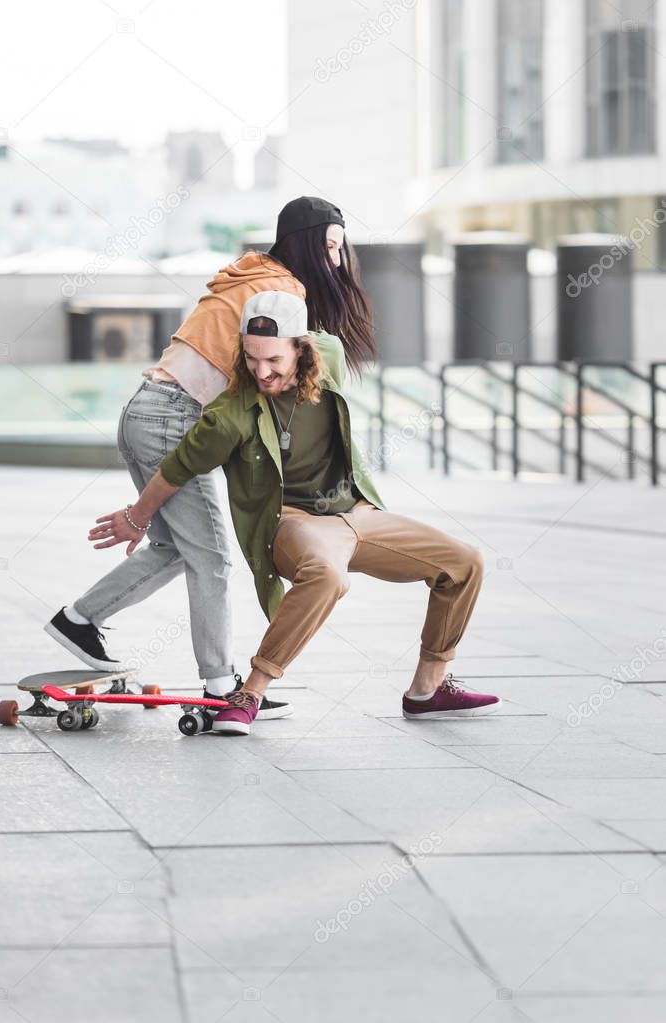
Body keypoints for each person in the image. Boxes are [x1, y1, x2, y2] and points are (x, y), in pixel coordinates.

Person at [89, 290, 502, 736]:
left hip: (357, 512)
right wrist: (137, 516)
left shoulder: (329, 358)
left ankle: (427, 689)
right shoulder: (231, 414)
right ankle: (251, 692)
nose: (260, 371)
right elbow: (177, 468)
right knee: (327, 576)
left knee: (464, 563)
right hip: (293, 523)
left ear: (301, 349)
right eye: (250, 358)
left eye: (272, 360)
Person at [44, 196, 375, 719]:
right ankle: (222, 686)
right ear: (307, 245)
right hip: (174, 418)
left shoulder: (250, 277)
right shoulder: (281, 292)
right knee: (213, 557)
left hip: (146, 409)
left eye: (341, 251)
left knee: (177, 547)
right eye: (330, 249)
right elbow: (276, 385)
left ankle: (79, 620)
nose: (337, 262)